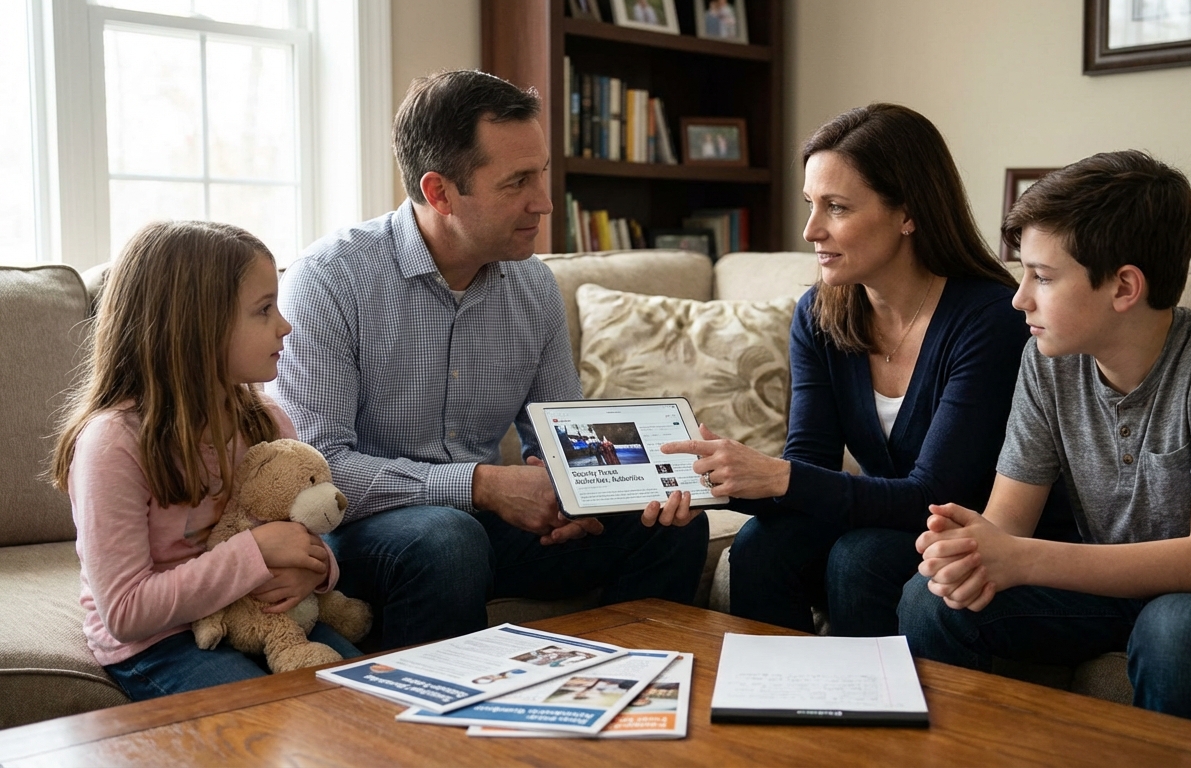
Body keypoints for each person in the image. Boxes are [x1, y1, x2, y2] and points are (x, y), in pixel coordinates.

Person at [269, 70, 708, 651]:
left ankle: (622, 696)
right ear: (439, 192)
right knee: (447, 538)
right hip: (364, 530)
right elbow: (319, 469)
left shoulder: (534, 287)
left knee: (671, 525)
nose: (545, 202)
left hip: (485, 530)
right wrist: (480, 485)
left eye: (543, 172)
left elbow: (561, 432)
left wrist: (589, 489)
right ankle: (439, 735)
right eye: (518, 181)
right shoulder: (329, 281)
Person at [899, 150, 1191, 728]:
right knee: (931, 600)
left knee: (1175, 628)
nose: (1018, 298)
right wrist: (968, 550)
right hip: (1115, 590)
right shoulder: (1045, 362)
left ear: (1124, 286)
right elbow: (1007, 524)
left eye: (1043, 277)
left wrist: (1020, 559)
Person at [662, 103, 1072, 636]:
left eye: (836, 208)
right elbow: (810, 462)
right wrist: (716, 482)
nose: (811, 230)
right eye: (810, 204)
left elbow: (936, 491)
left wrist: (776, 476)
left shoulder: (992, 319)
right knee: (761, 544)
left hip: (965, 532)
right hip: (889, 518)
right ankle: (766, 706)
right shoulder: (820, 312)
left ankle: (872, 712)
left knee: (862, 556)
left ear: (907, 213)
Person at [49, 221, 361, 701]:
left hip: (262, 618)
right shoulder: (112, 444)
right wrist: (255, 554)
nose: (285, 325)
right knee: (267, 719)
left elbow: (308, 535)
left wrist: (314, 573)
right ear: (196, 327)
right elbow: (127, 611)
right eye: (263, 310)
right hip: (159, 641)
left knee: (365, 696)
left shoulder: (266, 421)